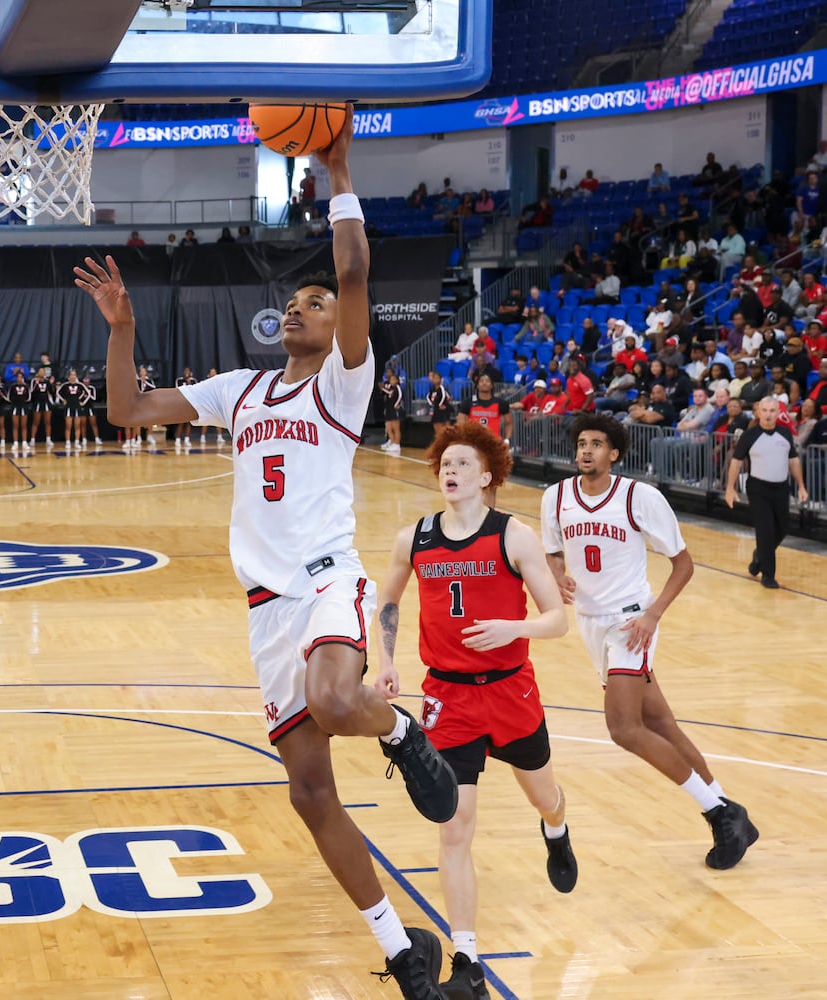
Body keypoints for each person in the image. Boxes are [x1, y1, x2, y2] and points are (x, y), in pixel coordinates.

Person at [74, 114, 458, 999]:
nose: (300, 307)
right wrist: (122, 326)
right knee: (310, 795)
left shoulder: (342, 383)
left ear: (338, 328)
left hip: (327, 581)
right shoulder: (240, 389)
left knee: (334, 698)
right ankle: (401, 948)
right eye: (293, 301)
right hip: (264, 609)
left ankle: (400, 730)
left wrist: (338, 169)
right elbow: (128, 412)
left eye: (314, 304)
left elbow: (355, 269)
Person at [376, 424, 577, 1000]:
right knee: (454, 827)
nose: (450, 470)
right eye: (444, 462)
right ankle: (467, 958)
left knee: (544, 795)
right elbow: (386, 601)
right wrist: (383, 659)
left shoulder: (514, 536)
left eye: (463, 463)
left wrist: (514, 627)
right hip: (448, 698)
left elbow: (557, 619)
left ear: (486, 476)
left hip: (511, 690)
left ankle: (557, 830)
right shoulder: (414, 537)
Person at [542, 414, 758, 870]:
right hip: (590, 623)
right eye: (581, 442)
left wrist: (652, 615)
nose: (586, 450)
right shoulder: (555, 497)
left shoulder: (640, 497)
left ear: (614, 453)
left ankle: (719, 813)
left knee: (623, 729)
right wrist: (557, 573)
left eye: (597, 443)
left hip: (631, 623)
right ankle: (729, 811)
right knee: (660, 723)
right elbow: (553, 549)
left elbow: (683, 564)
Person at [724, 397, 809, 589]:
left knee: (783, 528)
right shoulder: (750, 435)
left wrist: (801, 486)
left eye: (772, 410)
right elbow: (736, 462)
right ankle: (768, 575)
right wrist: (730, 488)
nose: (769, 414)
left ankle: (759, 558)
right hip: (758, 489)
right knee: (765, 531)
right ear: (758, 412)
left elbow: (793, 460)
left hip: (781, 489)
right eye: (765, 410)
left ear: (779, 413)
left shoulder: (785, 434)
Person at [379, 370, 403, 454]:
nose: (392, 381)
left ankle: (397, 444)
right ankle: (392, 442)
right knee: (388, 427)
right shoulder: (391, 388)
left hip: (394, 409)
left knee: (396, 428)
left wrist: (396, 404)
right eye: (391, 380)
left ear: (397, 380)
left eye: (393, 380)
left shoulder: (397, 387)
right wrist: (383, 389)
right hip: (389, 409)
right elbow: (388, 393)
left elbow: (400, 396)